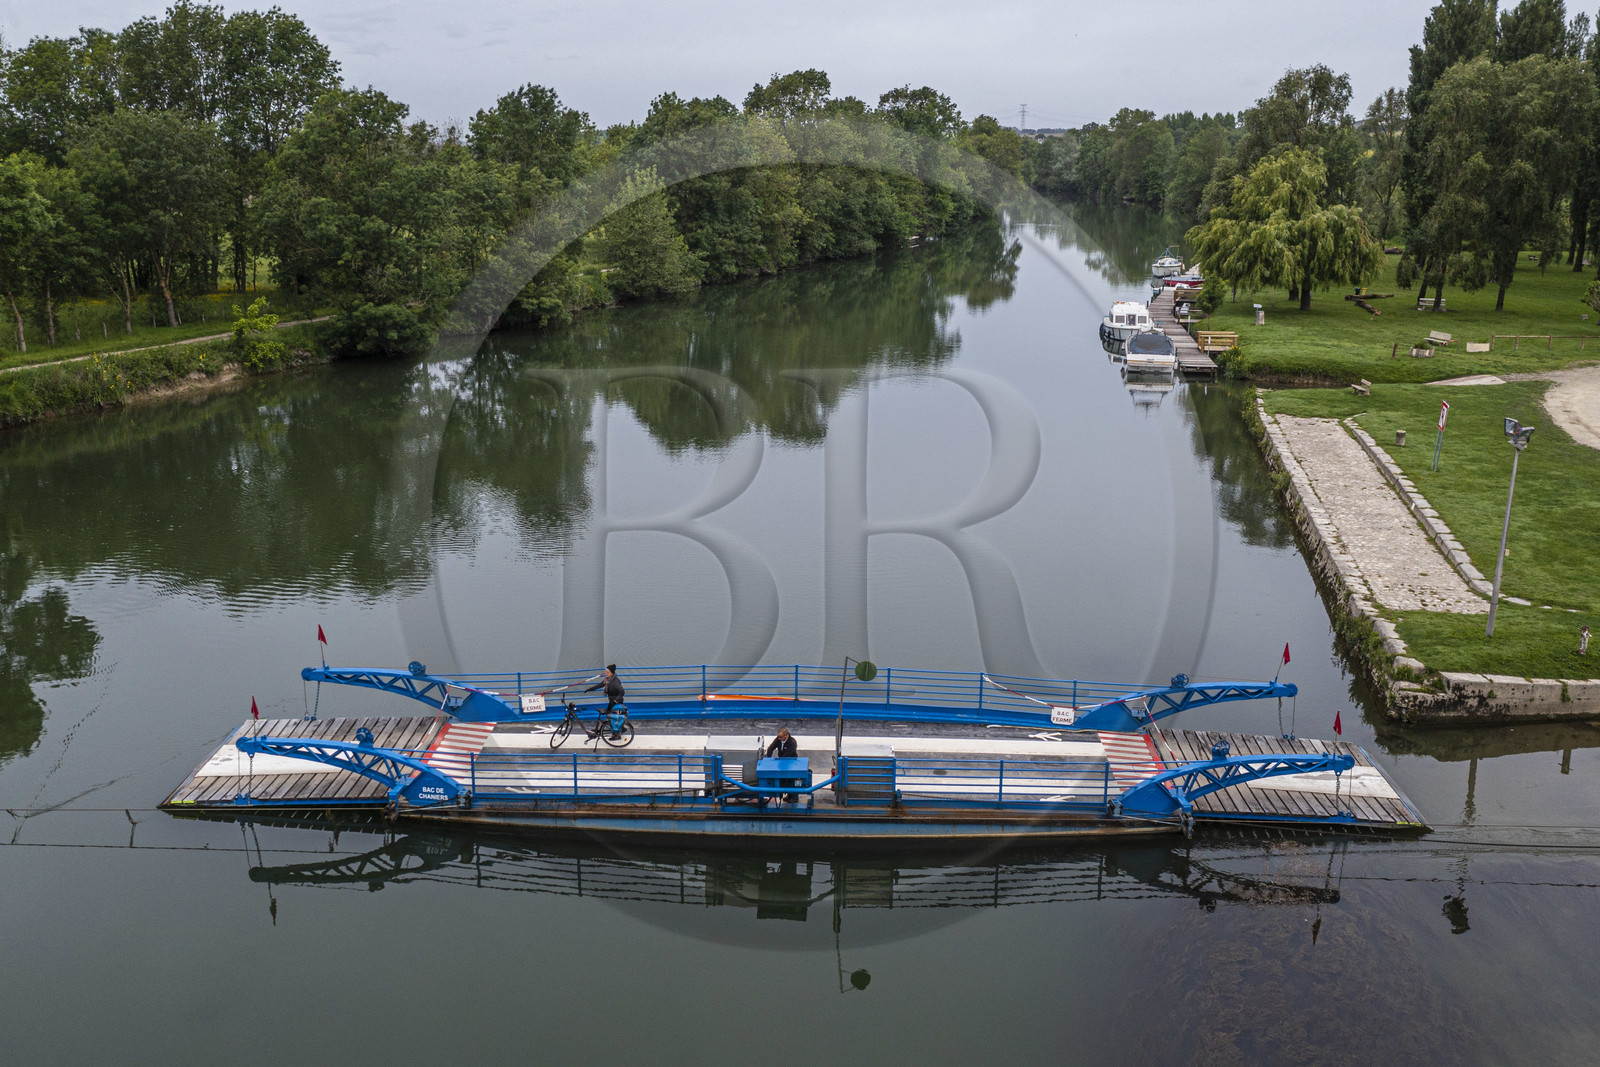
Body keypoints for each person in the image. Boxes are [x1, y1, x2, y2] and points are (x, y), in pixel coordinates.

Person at [587, 665, 625, 737]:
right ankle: (619, 730)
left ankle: (617, 735)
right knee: (609, 717)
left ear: (612, 673)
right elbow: (600, 685)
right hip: (612, 702)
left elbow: (622, 692)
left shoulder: (616, 681)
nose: (606, 673)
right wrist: (590, 689)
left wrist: (616, 701)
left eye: (607, 672)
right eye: (605, 672)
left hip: (617, 703)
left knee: (613, 718)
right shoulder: (608, 679)